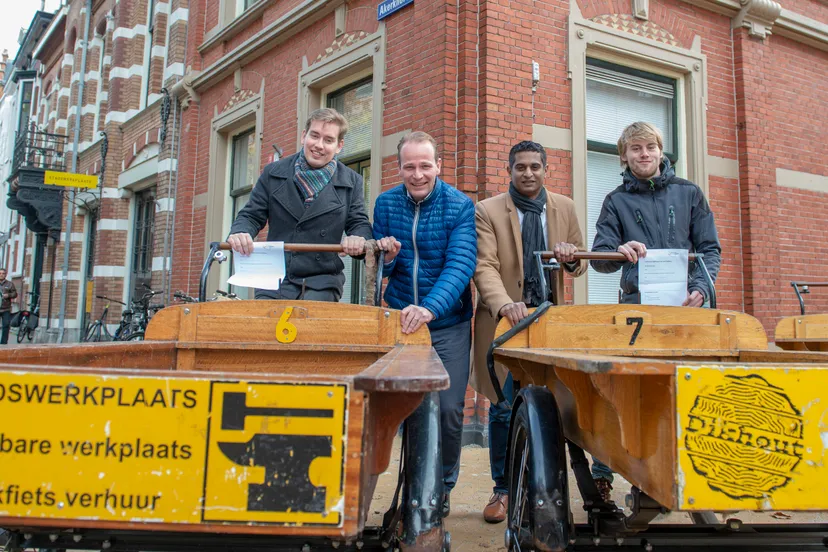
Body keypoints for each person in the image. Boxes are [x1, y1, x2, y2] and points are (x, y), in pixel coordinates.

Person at [589, 121, 722, 500]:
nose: (643, 154)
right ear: (623, 156)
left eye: (649, 147)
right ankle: (608, 469)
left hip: (686, 309)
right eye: (635, 149)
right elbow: (600, 258)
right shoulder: (615, 201)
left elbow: (710, 250)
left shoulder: (690, 193)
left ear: (660, 150)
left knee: (682, 386)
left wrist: (700, 288)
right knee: (628, 388)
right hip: (637, 312)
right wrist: (620, 251)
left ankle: (680, 469)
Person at [470, 141, 588, 523]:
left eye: (535, 166)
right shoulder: (487, 210)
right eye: (520, 167)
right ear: (510, 170)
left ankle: (544, 490)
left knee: (551, 407)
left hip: (547, 323)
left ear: (546, 169)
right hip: (504, 321)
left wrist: (570, 258)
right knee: (504, 408)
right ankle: (502, 489)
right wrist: (504, 303)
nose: (528, 173)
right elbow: (484, 265)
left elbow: (581, 265)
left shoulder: (565, 207)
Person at [373, 131, 477, 517]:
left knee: (449, 408)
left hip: (446, 322)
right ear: (399, 167)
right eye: (410, 166)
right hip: (401, 320)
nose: (417, 174)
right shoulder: (385, 204)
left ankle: (443, 485)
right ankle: (413, 480)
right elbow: (380, 266)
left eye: (425, 165)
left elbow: (461, 263)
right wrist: (388, 257)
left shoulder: (459, 206)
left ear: (438, 166)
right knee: (407, 407)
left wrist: (431, 308)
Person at [226, 108, 376, 301]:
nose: (319, 145)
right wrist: (240, 231)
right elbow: (251, 215)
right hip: (275, 277)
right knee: (265, 327)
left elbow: (358, 222)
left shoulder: (351, 181)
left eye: (328, 140)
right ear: (304, 136)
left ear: (339, 146)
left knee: (311, 325)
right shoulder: (273, 173)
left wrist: (357, 237)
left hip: (322, 280)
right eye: (314, 136)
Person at [0, 268, 17, 345]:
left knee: (6, 326)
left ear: (5, 275)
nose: (1, 275)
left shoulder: (10, 284)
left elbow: (15, 294)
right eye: (0, 273)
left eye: (3, 273)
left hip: (5, 309)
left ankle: (3, 343)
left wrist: (8, 295)